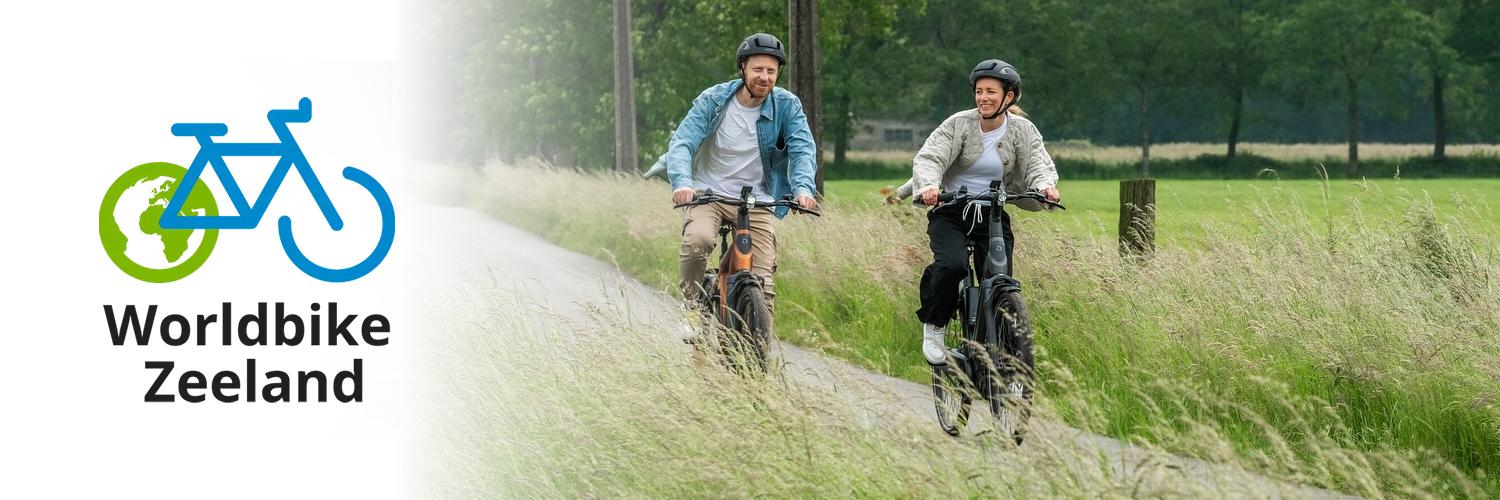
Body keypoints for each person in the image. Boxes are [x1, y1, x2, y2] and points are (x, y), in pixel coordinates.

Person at [892, 59, 1061, 365]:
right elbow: (930, 157)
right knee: (954, 265)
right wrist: (930, 186)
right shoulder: (958, 124)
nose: (983, 97)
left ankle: (1006, 356)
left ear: (1008, 97)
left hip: (993, 213)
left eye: (991, 92)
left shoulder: (1023, 130)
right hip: (950, 210)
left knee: (999, 280)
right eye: (979, 91)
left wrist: (1046, 186)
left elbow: (1039, 163)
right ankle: (936, 325)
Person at [643, 32, 819, 315]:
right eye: (758, 69)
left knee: (763, 282)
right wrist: (683, 183)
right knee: (698, 239)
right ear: (743, 69)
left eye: (771, 71)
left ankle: (758, 356)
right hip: (707, 194)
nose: (765, 77)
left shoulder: (787, 105)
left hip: (756, 200)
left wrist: (802, 190)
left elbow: (803, 151)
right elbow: (682, 143)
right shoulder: (713, 100)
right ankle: (691, 305)